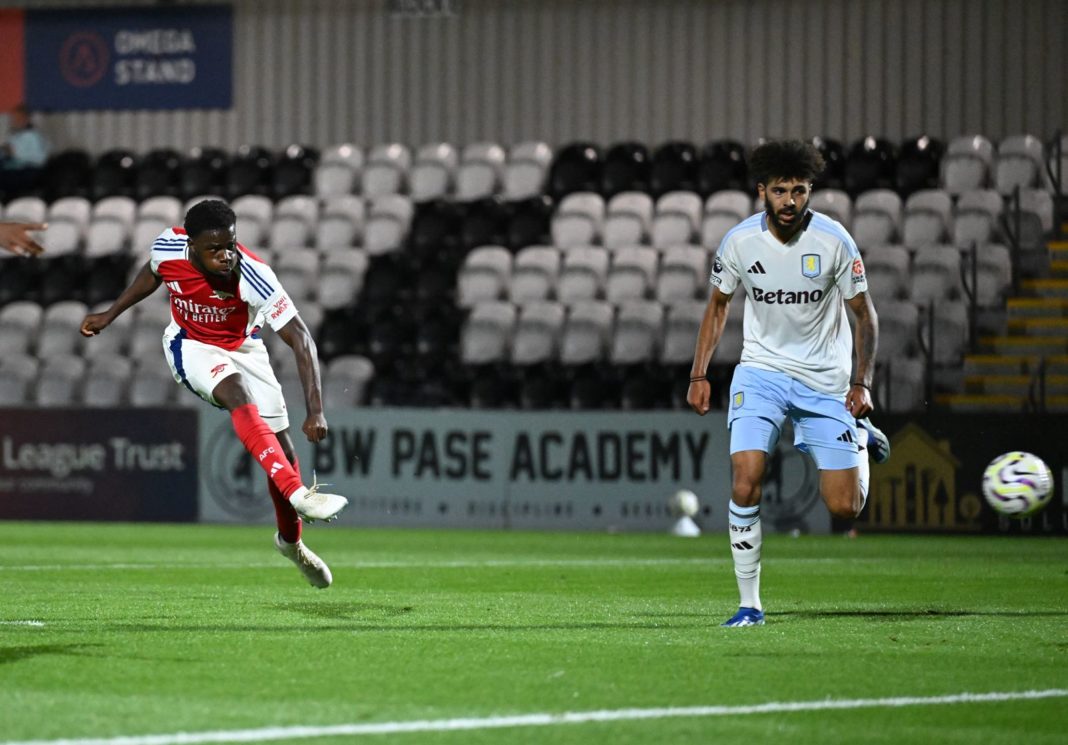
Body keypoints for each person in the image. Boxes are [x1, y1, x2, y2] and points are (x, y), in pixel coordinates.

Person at [80, 199, 348, 588]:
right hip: (190, 346)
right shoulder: (168, 247)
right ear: (190, 245)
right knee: (237, 393)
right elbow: (153, 273)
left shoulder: (254, 274)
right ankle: (298, 493)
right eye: (214, 249)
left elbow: (301, 338)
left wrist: (316, 410)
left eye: (230, 246)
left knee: (285, 453)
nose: (226, 256)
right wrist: (110, 313)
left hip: (245, 347)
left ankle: (291, 545)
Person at [687, 140, 890, 628]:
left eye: (799, 190)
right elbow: (718, 306)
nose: (790, 201)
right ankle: (749, 604)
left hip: (825, 382)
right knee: (745, 480)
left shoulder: (835, 241)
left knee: (845, 506)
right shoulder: (739, 242)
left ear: (809, 191)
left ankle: (859, 437)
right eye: (780, 190)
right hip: (761, 374)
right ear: (762, 192)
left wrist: (861, 383)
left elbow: (865, 317)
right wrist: (699, 373)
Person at [0, 104, 50, 200]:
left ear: (25, 118)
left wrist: (14, 153)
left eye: (17, 118)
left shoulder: (34, 136)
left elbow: (40, 159)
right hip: (9, 170)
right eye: (13, 118)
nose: (14, 121)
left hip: (26, 174)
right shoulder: (13, 137)